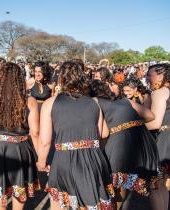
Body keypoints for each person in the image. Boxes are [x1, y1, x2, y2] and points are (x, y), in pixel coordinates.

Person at [37, 61, 115, 209]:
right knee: (91, 202)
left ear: (61, 79)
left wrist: (41, 162)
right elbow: (102, 134)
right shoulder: (94, 103)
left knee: (59, 203)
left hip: (63, 159)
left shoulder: (50, 103)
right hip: (92, 158)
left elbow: (45, 141)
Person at [0, 62, 40, 210]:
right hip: (20, 149)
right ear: (20, 79)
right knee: (19, 190)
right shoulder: (29, 101)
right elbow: (35, 133)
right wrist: (39, 157)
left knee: (0, 190)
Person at [90, 80, 160, 210]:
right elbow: (150, 116)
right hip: (144, 142)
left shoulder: (94, 102)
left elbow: (101, 133)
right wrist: (130, 124)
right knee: (123, 180)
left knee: (117, 180)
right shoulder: (125, 101)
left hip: (121, 144)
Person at [145, 64, 170, 209]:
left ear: (160, 76)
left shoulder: (160, 92)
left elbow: (155, 123)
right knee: (163, 183)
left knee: (155, 184)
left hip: (165, 142)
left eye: (150, 75)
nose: (147, 78)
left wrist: (134, 126)